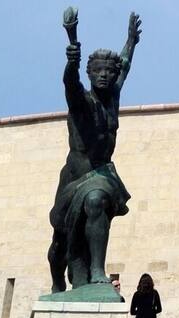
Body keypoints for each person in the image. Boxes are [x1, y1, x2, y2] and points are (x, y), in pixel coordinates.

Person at [47, 10, 141, 292]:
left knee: (98, 200)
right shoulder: (81, 102)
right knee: (59, 246)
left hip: (102, 175)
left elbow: (124, 66)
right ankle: (56, 283)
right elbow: (70, 84)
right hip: (75, 178)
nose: (104, 75)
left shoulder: (113, 96)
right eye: (98, 70)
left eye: (108, 71)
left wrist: (131, 41)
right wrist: (71, 62)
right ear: (89, 73)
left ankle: (98, 270)